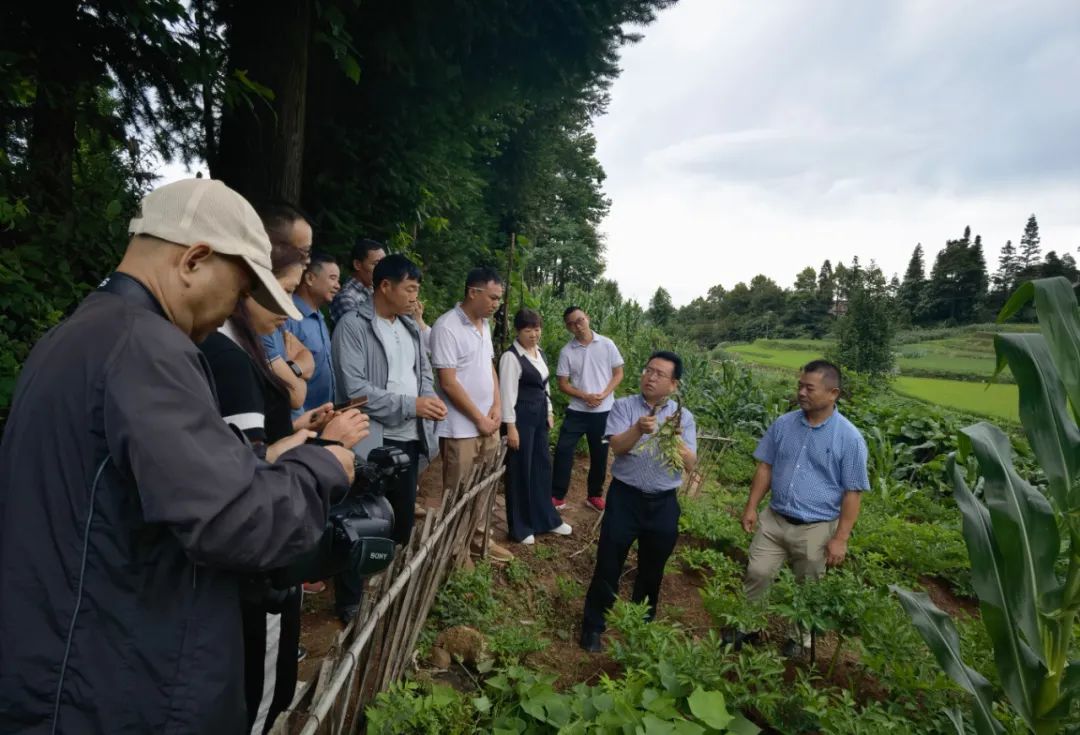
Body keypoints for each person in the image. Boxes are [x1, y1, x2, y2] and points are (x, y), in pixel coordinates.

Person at [0, 179, 360, 734]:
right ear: (194, 259)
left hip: (66, 661)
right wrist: (323, 466)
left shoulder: (75, 336)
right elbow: (235, 519)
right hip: (118, 685)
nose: (235, 310)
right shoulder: (148, 349)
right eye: (240, 288)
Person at [200, 242, 366, 735]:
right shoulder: (227, 358)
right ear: (248, 284)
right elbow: (242, 478)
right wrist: (322, 452)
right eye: (285, 291)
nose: (290, 310)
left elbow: (250, 451)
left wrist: (296, 429)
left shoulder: (236, 348)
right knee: (260, 688)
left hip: (265, 537)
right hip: (261, 554)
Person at [740, 360, 869, 652]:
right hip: (775, 520)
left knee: (809, 587)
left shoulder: (849, 439)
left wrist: (841, 539)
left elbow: (853, 493)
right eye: (800, 385)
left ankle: (799, 639)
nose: (801, 392)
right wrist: (751, 506)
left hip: (816, 527)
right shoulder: (784, 424)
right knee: (757, 572)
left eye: (809, 388)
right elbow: (765, 467)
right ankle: (747, 626)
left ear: (833, 393)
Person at [580, 352, 696, 653]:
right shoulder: (623, 407)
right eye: (648, 370)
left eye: (659, 374)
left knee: (652, 570)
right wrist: (638, 429)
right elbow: (616, 447)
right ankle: (594, 627)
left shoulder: (683, 416)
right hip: (624, 499)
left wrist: (676, 437)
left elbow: (691, 463)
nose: (650, 377)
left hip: (663, 504)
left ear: (673, 384)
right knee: (608, 563)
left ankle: (641, 628)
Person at [333, 253, 446, 552]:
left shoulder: (410, 328)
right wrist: (413, 406)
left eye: (417, 290)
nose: (415, 297)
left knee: (400, 523)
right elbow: (355, 390)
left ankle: (386, 584)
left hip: (409, 439)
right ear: (385, 286)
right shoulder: (353, 326)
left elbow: (424, 375)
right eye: (409, 289)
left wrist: (430, 402)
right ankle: (352, 597)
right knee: (363, 521)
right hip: (372, 443)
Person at [429, 266, 514, 562]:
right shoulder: (446, 327)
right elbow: (448, 382)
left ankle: (479, 541)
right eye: (492, 297)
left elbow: (488, 366)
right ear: (473, 292)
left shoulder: (483, 325)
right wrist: (479, 418)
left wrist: (497, 405)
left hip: (487, 425)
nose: (496, 304)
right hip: (460, 430)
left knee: (482, 490)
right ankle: (455, 554)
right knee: (458, 494)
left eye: (499, 298)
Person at [498, 308, 572, 544]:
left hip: (539, 418)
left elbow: (545, 385)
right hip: (520, 420)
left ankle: (546, 519)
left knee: (541, 467)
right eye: (528, 330)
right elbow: (506, 395)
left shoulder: (539, 353)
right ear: (519, 331)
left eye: (537, 329)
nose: (533, 334)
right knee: (520, 471)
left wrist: (549, 411)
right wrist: (511, 427)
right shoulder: (511, 357)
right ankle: (520, 527)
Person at [551, 306, 625, 512]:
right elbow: (562, 384)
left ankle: (594, 495)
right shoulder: (567, 351)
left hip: (603, 412)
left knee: (600, 454)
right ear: (568, 327)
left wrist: (603, 394)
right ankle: (557, 495)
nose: (578, 326)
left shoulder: (607, 344)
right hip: (576, 411)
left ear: (588, 318)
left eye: (580, 320)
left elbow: (618, 374)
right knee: (564, 450)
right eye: (572, 324)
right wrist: (585, 396)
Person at [257, 205, 316, 410]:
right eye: (302, 252)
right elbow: (296, 396)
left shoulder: (274, 317)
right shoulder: (258, 323)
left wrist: (290, 369)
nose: (307, 261)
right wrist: (297, 373)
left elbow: (309, 357)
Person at [286, 250, 341, 413]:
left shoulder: (320, 317)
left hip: (322, 417)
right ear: (310, 278)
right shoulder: (289, 316)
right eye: (332, 278)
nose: (338, 285)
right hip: (300, 420)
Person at [330, 237, 386, 324]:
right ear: (357, 265)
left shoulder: (373, 289)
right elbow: (363, 332)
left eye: (384, 264)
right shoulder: (346, 298)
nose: (383, 270)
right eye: (376, 264)